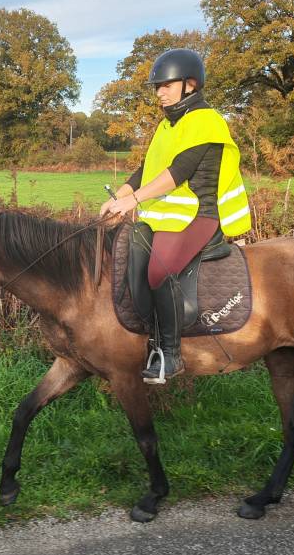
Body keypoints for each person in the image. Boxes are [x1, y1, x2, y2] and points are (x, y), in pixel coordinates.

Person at [100, 48, 251, 384]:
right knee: (132, 247)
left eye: (167, 85)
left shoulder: (206, 121)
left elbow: (179, 171)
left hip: (200, 215)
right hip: (168, 217)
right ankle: (146, 338)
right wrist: (118, 197)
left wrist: (133, 201)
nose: (160, 92)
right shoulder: (167, 126)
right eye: (158, 86)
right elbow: (148, 169)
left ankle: (170, 354)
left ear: (190, 84)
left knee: (159, 268)